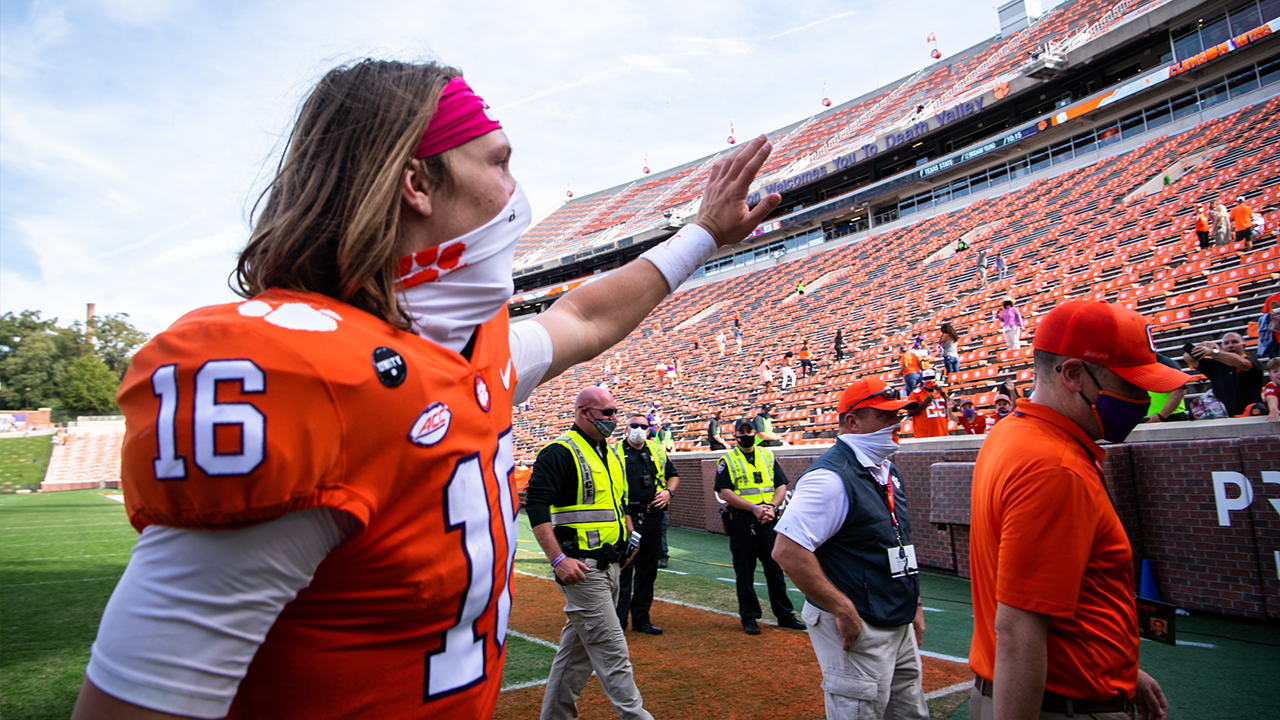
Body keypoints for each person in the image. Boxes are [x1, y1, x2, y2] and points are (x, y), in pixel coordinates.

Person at [71, 62, 783, 720]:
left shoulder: (461, 351)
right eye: (499, 162)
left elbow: (585, 317)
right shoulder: (299, 375)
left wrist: (703, 234)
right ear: (417, 183)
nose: (514, 190)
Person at [969, 299, 1181, 720]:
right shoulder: (1055, 466)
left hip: (1057, 688)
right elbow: (1019, 629)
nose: (1143, 400)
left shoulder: (1016, 431)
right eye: (1130, 384)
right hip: (1060, 705)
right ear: (1073, 374)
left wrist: (1116, 668)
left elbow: (1067, 595)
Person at [773, 378, 927, 720]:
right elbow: (787, 550)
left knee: (910, 713)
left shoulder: (887, 470)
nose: (896, 423)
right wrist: (842, 608)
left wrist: (912, 603)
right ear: (853, 421)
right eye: (884, 416)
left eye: (897, 414)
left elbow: (896, 540)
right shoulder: (829, 477)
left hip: (895, 618)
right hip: (861, 621)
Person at [527, 387, 648, 720]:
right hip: (582, 569)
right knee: (614, 654)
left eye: (614, 411)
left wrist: (627, 540)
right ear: (583, 412)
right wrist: (557, 559)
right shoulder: (559, 451)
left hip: (611, 567)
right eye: (606, 412)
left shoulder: (607, 453)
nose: (613, 418)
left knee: (574, 659)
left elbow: (617, 504)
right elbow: (535, 505)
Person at [715, 419, 806, 635]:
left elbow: (781, 485)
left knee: (775, 570)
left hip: (768, 521)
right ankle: (749, 617)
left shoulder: (767, 455)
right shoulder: (727, 460)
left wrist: (773, 507)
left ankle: (784, 615)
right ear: (736, 435)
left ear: (755, 433)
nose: (746, 434)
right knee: (744, 573)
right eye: (742, 431)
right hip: (742, 522)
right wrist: (754, 508)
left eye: (749, 430)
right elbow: (724, 492)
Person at [614, 414, 678, 635]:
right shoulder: (615, 452)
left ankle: (641, 619)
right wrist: (625, 519)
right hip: (627, 518)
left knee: (648, 572)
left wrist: (668, 492)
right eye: (635, 425)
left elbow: (674, 476)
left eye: (644, 426)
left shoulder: (656, 450)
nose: (640, 429)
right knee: (624, 572)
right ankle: (619, 623)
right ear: (626, 427)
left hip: (653, 517)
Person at [1183, 332, 1264, 417]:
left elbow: (1242, 363)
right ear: (1223, 348)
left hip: (1250, 415)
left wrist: (1214, 353)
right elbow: (1188, 358)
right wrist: (1202, 346)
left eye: (1235, 342)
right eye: (1226, 343)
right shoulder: (1215, 365)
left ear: (1243, 347)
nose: (1230, 345)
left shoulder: (1253, 363)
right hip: (1223, 417)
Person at [1144, 353, 1189, 423]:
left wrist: (1161, 416)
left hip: (1169, 417)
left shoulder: (1165, 363)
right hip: (1145, 418)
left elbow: (1179, 390)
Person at [906, 369, 951, 438]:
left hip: (942, 432)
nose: (929, 380)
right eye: (926, 378)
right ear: (922, 380)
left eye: (931, 378)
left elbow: (954, 408)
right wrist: (924, 402)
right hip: (924, 434)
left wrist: (943, 395)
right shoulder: (915, 393)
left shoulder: (942, 392)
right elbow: (910, 413)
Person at [1263, 358, 1280, 422]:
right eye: (1275, 371)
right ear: (1270, 377)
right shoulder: (1271, 386)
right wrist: (1273, 408)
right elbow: (1271, 397)